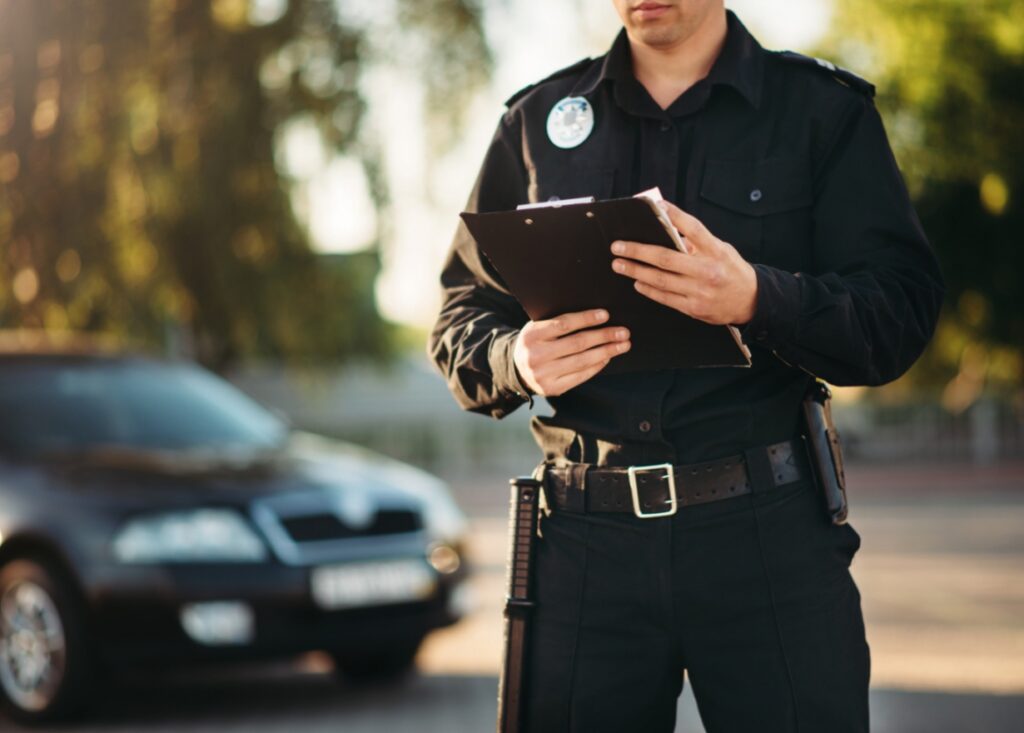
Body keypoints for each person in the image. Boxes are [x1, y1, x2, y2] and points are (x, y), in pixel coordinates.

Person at [428, 1, 945, 731]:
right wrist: (514, 358)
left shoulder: (821, 112)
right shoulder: (534, 121)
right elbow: (459, 315)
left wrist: (760, 297)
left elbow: (900, 311)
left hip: (766, 538)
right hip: (583, 547)